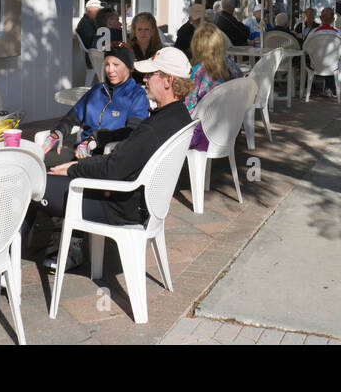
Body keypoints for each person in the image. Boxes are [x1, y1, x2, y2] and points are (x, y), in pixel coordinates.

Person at [37, 47, 195, 272]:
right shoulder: (176, 116)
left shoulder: (153, 127)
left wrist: (74, 168)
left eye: (150, 75)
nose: (146, 79)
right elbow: (118, 162)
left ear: (168, 80)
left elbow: (113, 168)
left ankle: (2, 260)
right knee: (40, 177)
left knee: (29, 183)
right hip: (135, 200)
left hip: (117, 204)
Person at [22, 44, 150, 168]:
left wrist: (95, 140)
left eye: (116, 65)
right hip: (81, 152)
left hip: (109, 157)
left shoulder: (137, 95)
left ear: (128, 67)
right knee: (33, 163)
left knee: (54, 174)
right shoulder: (97, 90)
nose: (110, 70)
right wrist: (57, 133)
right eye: (107, 64)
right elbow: (72, 117)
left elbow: (133, 130)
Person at [184, 22, 239, 151]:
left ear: (196, 46)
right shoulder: (230, 65)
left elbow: (189, 107)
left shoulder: (198, 72)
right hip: (228, 127)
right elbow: (241, 85)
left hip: (204, 133)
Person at [128, 12, 163, 84]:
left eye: (146, 29)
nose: (143, 33)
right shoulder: (127, 49)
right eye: (139, 29)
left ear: (153, 31)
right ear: (135, 31)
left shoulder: (159, 51)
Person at [75, 0, 103, 68]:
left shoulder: (89, 22)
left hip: (93, 56)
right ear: (90, 10)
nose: (100, 13)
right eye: (98, 11)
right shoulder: (86, 24)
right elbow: (92, 43)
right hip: (94, 58)